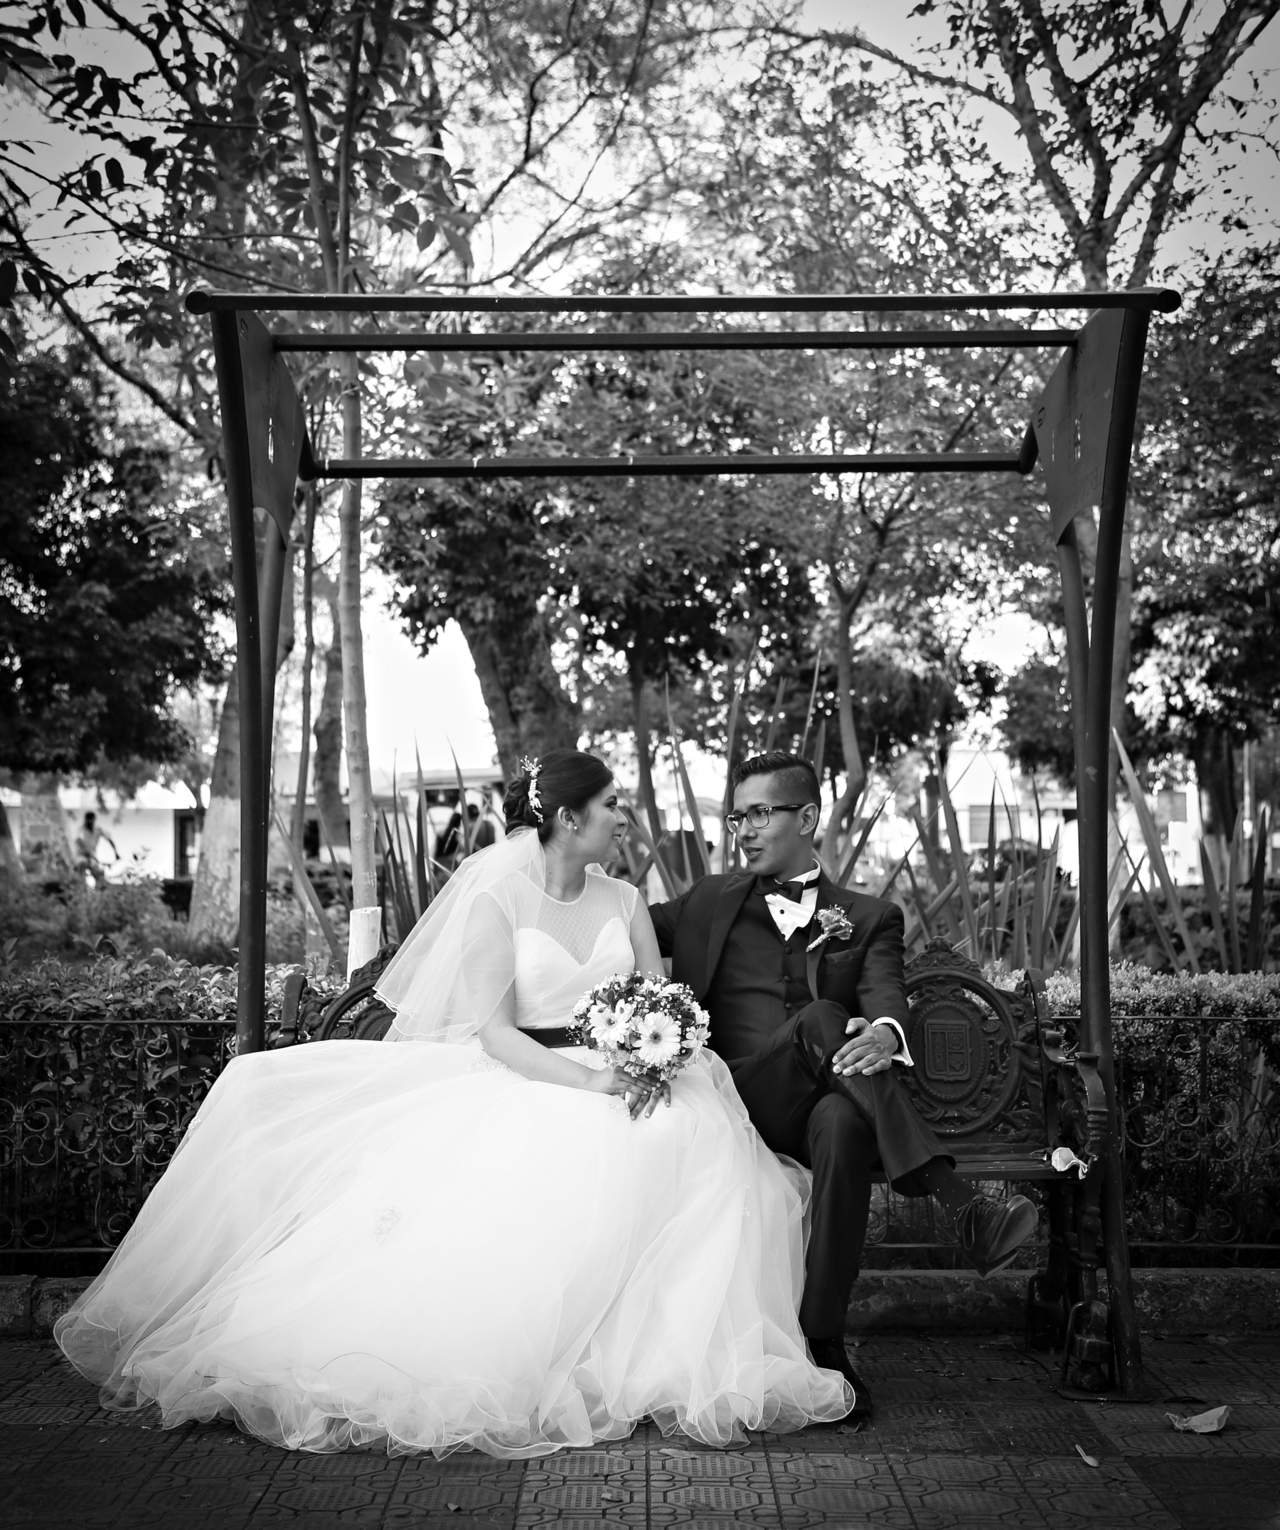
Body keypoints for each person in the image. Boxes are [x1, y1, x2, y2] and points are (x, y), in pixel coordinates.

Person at [54, 750, 852, 1456]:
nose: (623, 818)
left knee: (692, 1139)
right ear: (570, 819)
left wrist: (654, 1055)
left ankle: (667, 1353)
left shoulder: (625, 900)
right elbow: (495, 1034)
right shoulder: (498, 901)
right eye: (611, 805)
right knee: (576, 1156)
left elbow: (655, 996)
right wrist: (588, 1083)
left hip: (623, 1067)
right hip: (533, 1073)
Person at [649, 751, 1039, 1422]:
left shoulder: (869, 914)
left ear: (807, 818)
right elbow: (609, 920)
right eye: (738, 817)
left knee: (842, 1123)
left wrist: (887, 1032)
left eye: (760, 813)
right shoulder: (706, 901)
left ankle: (822, 1341)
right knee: (824, 1017)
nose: (744, 830)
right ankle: (957, 1200)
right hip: (728, 1098)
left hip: (810, 1109)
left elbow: (885, 994)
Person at [73, 811, 117, 886]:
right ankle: (81, 886)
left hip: (92, 857)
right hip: (81, 856)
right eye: (88, 820)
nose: (89, 822)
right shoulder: (81, 829)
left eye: (91, 820)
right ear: (85, 820)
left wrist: (116, 852)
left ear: (94, 820)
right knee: (82, 866)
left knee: (98, 872)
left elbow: (109, 839)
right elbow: (78, 841)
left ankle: (100, 888)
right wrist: (87, 852)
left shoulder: (98, 829)